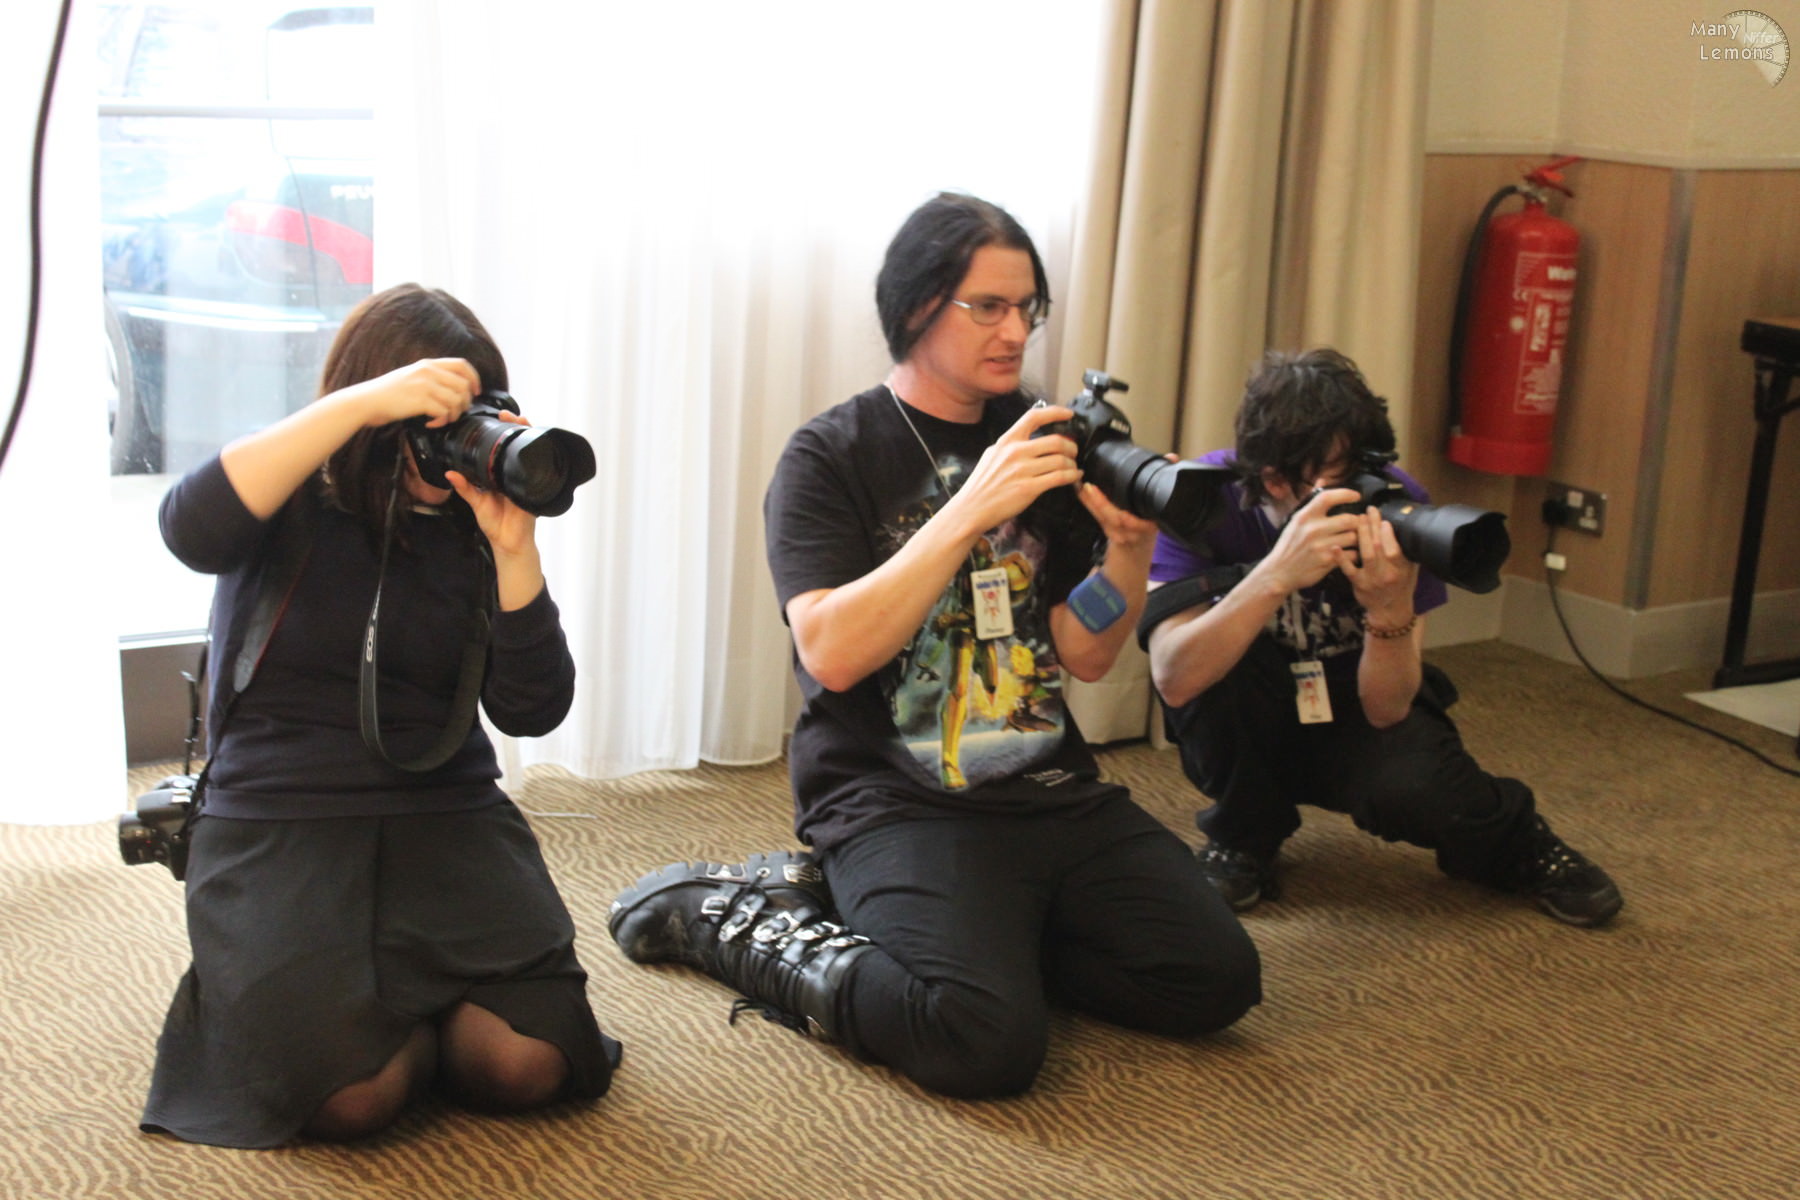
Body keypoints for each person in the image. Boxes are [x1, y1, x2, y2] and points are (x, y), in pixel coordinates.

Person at [608, 193, 1261, 1098]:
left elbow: (1082, 653)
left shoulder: (1046, 443)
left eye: (1027, 308)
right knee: (981, 1043)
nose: (1015, 332)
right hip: (893, 798)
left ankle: (972, 940)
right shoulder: (830, 454)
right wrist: (968, 509)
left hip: (1047, 789)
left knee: (1216, 980)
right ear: (916, 306)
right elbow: (831, 652)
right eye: (986, 306)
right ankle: (740, 921)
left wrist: (1128, 552)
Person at [141, 284, 620, 1147]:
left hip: (449, 816)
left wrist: (515, 552)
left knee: (528, 1065)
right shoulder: (291, 489)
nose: (455, 442)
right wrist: (358, 406)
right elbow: (187, 528)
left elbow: (533, 708)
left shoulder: (475, 522)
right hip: (282, 820)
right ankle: (364, 1012)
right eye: (431, 420)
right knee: (346, 1099)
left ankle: (397, 1009)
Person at [1142, 347, 1623, 928]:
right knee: (1219, 670)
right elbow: (1175, 677)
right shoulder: (1201, 496)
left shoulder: (1397, 501)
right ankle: (1245, 835)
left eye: (1362, 467)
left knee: (1420, 786)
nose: (1360, 490)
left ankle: (1519, 842)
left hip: (1355, 704)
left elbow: (1389, 708)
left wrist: (1389, 607)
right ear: (1273, 478)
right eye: (1337, 476)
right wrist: (1274, 576)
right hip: (1250, 705)